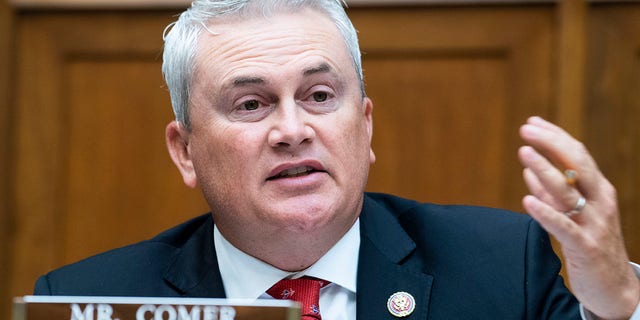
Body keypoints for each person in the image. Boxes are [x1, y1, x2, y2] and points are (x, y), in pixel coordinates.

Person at [34, 0, 640, 319]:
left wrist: (617, 306)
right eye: (250, 104)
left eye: (320, 96)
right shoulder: (91, 301)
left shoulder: (504, 267)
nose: (293, 130)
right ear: (185, 150)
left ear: (365, 125)